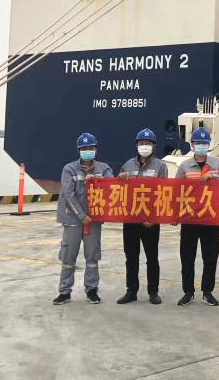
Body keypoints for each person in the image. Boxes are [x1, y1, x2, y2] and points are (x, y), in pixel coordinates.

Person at [53, 133, 113, 305]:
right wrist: (82, 216)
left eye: (90, 148)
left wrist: (98, 180)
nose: (88, 151)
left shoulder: (103, 168)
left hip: (94, 220)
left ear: (96, 149)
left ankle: (92, 290)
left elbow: (113, 186)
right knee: (68, 257)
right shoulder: (69, 169)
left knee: (92, 257)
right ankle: (65, 291)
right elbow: (68, 194)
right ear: (78, 150)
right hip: (73, 219)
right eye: (84, 148)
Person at [175, 127, 219, 307]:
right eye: (198, 143)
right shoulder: (184, 166)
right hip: (189, 218)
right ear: (191, 144)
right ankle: (188, 292)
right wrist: (175, 215)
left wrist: (215, 179)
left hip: (210, 217)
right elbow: (175, 192)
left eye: (204, 143)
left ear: (209, 145)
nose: (201, 146)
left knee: (210, 257)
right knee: (187, 257)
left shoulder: (218, 164)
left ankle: (208, 292)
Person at [116, 128, 168, 305]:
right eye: (141, 143)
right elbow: (119, 191)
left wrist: (154, 218)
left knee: (152, 258)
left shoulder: (160, 166)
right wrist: (120, 178)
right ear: (136, 145)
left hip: (150, 221)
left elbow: (164, 193)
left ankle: (153, 291)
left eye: (148, 143)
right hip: (131, 219)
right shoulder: (127, 165)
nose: (144, 146)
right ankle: (131, 291)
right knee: (131, 257)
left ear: (154, 146)